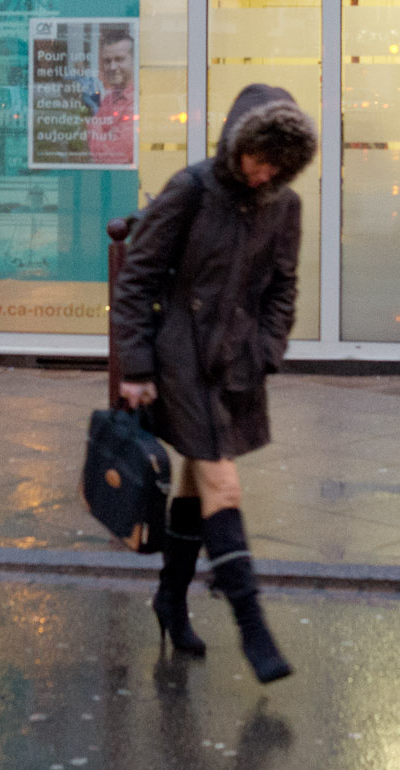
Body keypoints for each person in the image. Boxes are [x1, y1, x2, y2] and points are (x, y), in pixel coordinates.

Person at [111, 84, 317, 684]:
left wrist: (267, 350)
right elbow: (137, 281)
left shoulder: (284, 205)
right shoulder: (192, 189)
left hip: (237, 365)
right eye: (259, 159)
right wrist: (139, 368)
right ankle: (253, 626)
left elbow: (283, 286)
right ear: (238, 145)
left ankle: (170, 600)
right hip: (180, 359)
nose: (265, 174)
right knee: (222, 481)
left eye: (280, 166)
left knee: (195, 483)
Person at [85, 27, 136, 165]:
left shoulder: (137, 101)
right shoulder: (109, 98)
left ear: (134, 60)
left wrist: (94, 122)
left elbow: (111, 157)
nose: (112, 67)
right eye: (107, 61)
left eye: (119, 59)